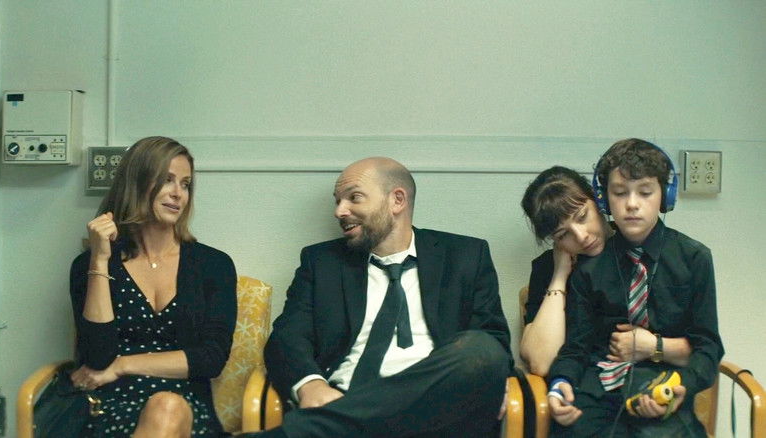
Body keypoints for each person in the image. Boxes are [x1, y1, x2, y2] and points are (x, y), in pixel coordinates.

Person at [236, 157, 512, 438]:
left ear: (397, 200)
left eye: (354, 197)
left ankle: (311, 431)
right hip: (343, 398)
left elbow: (492, 342)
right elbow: (287, 338)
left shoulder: (465, 255)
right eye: (337, 201)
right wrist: (310, 385)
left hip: (437, 412)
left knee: (482, 349)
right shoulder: (322, 262)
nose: (340, 211)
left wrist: (488, 374)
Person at [547, 139, 724, 437]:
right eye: (619, 193)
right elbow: (576, 348)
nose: (631, 203)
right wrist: (559, 382)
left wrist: (683, 385)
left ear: (665, 196)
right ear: (604, 200)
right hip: (599, 389)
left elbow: (708, 346)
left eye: (645, 192)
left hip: (662, 384)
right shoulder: (589, 268)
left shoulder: (694, 258)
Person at [69, 136, 237, 437]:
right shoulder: (89, 265)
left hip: (186, 406)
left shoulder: (214, 265)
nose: (178, 194)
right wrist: (100, 260)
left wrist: (123, 365)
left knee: (166, 408)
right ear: (136, 183)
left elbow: (211, 359)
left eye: (185, 184)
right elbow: (97, 357)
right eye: (166, 180)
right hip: (108, 405)